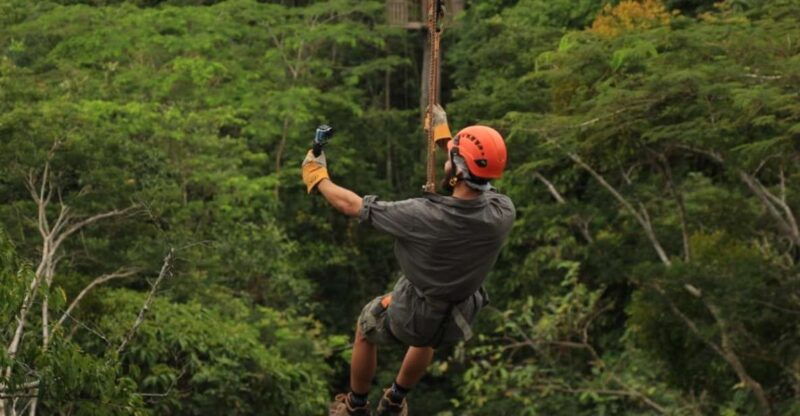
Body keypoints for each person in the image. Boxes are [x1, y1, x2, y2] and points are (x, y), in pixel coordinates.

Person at [301, 105, 515, 416]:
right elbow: (473, 174)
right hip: (459, 313)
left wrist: (317, 176)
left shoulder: (423, 216)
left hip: (417, 310)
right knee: (426, 337)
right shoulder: (502, 212)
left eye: (450, 158)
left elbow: (352, 205)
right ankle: (395, 401)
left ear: (456, 170)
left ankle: (355, 406)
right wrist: (445, 137)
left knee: (367, 323)